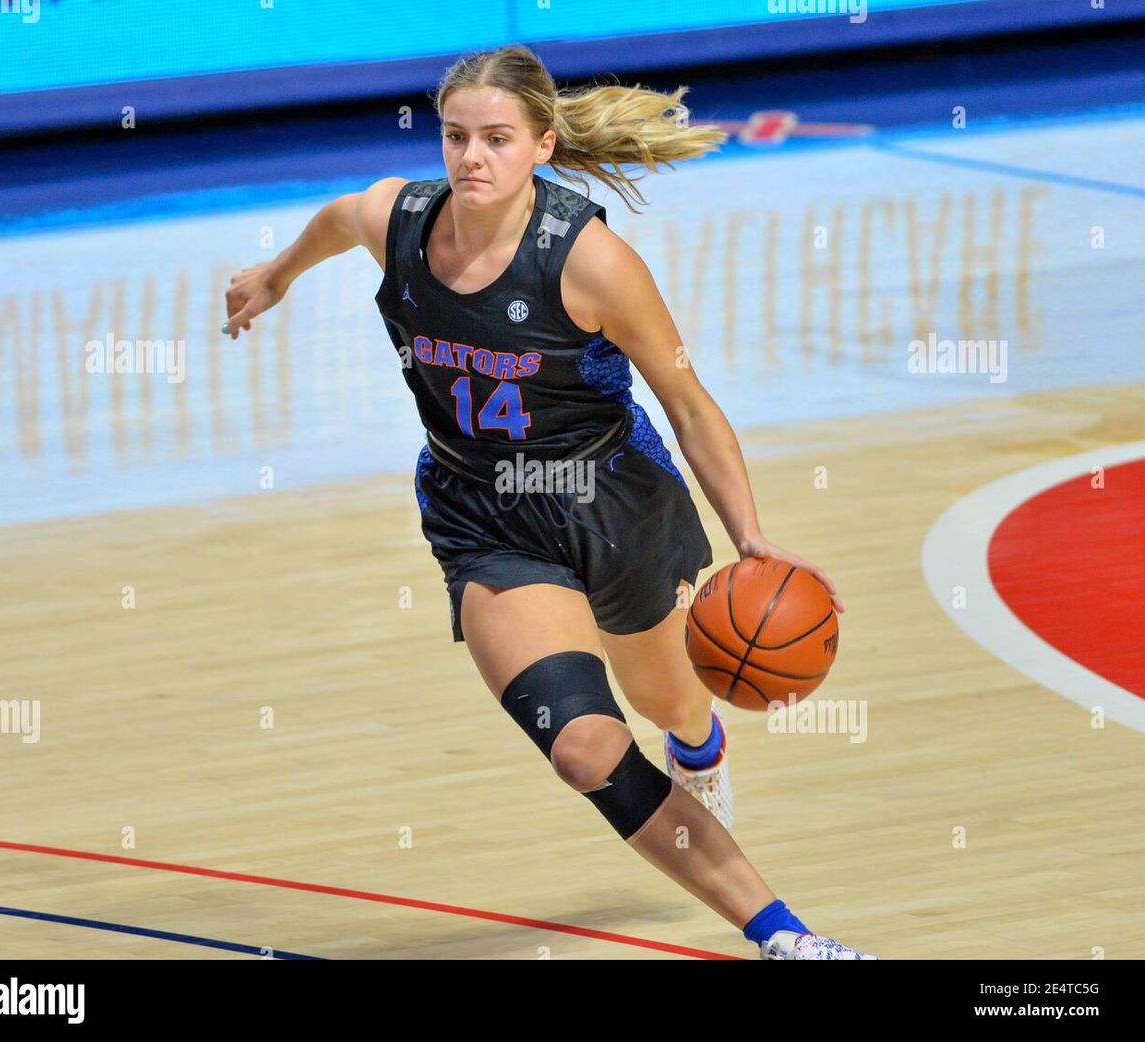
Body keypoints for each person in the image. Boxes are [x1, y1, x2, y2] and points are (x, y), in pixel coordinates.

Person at [223, 44, 875, 960]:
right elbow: (337, 219)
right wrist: (277, 274)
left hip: (614, 498)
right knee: (583, 748)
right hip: (482, 514)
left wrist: (754, 538)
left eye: (495, 139)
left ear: (540, 144)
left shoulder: (593, 261)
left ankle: (698, 749)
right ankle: (789, 940)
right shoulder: (397, 219)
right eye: (455, 137)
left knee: (673, 706)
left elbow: (690, 405)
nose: (469, 159)